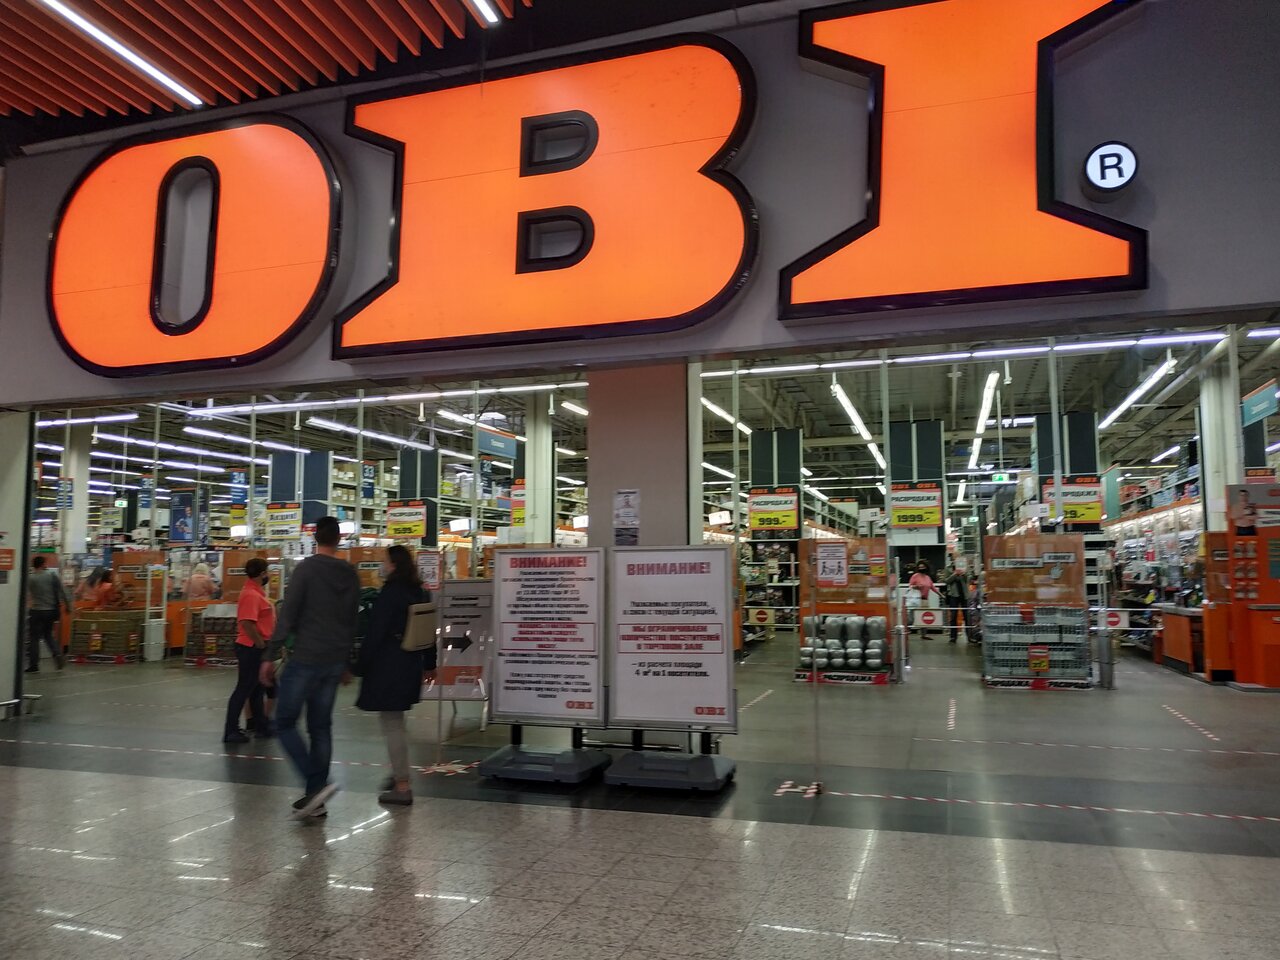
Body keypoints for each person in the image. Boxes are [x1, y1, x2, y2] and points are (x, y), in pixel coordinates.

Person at [261, 517, 360, 820]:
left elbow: (288, 615)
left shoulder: (306, 570)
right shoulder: (350, 573)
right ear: (339, 539)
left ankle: (316, 786)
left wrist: (269, 655)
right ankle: (316, 801)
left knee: (284, 722)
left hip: (306, 657)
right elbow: (352, 621)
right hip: (334, 660)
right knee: (320, 727)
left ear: (315, 538)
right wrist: (346, 661)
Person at [355, 545, 437, 806]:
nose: (382, 565)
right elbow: (428, 630)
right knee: (397, 722)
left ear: (394, 565)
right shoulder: (420, 591)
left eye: (385, 561)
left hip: (388, 665)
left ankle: (402, 785)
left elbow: (375, 633)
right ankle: (398, 771)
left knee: (392, 724)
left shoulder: (390, 594)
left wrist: (359, 666)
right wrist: (430, 663)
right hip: (410, 663)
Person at [223, 558, 273, 744]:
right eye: (267, 571)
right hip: (250, 647)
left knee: (257, 689)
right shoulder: (251, 595)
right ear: (262, 574)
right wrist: (260, 643)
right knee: (244, 688)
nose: (269, 575)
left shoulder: (256, 593)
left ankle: (261, 726)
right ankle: (231, 730)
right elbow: (246, 622)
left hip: (255, 646)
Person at [26, 555, 68, 672]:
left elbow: (28, 595)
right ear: (43, 564)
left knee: (34, 638)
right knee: (48, 635)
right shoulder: (52, 575)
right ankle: (57, 654)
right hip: (50, 611)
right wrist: (68, 605)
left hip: (36, 611)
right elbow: (62, 591)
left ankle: (34, 664)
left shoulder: (30, 578)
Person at [943, 564, 969, 644]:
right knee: (953, 616)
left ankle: (970, 636)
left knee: (967, 616)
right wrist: (955, 574)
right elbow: (946, 581)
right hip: (953, 595)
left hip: (964, 595)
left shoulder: (965, 566)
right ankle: (953, 637)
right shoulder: (948, 568)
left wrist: (964, 574)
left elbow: (968, 580)